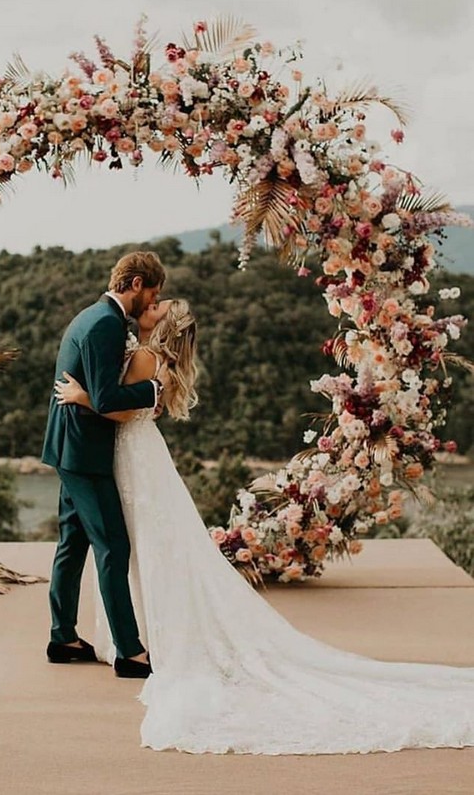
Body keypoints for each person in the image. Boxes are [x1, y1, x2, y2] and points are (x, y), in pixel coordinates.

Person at [54, 298, 474, 755]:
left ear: (165, 325)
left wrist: (83, 396)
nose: (152, 308)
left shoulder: (141, 356)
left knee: (124, 547)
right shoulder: (160, 362)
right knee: (147, 545)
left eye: (160, 306)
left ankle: (126, 644)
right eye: (156, 301)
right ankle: (122, 637)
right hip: (139, 459)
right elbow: (139, 400)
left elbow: (114, 407)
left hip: (124, 455)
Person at [41, 250, 169, 679]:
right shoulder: (106, 325)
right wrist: (154, 390)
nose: (152, 300)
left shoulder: (91, 316)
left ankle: (63, 638)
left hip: (71, 448)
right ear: (135, 284)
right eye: (152, 291)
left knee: (73, 543)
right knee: (113, 547)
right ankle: (130, 653)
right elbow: (106, 398)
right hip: (85, 453)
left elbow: (93, 394)